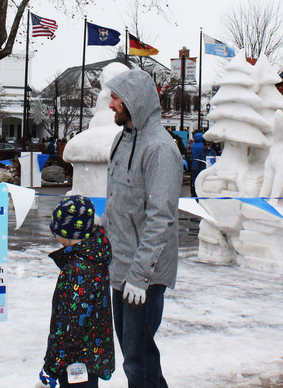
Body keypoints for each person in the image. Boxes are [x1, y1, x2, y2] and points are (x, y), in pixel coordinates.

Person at [103, 69, 182, 388]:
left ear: (134, 102)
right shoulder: (122, 141)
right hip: (120, 267)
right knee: (132, 353)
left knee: (139, 356)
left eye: (116, 98)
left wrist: (140, 276)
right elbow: (117, 200)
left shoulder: (160, 149)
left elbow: (161, 218)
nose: (111, 105)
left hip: (143, 276)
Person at [40, 195, 115, 388]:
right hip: (91, 356)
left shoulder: (77, 270)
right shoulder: (94, 257)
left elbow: (69, 327)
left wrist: (52, 367)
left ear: (66, 231)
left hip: (75, 362)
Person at [190, 132, 205, 197]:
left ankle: (193, 190)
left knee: (194, 177)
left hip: (193, 163)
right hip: (200, 164)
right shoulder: (202, 146)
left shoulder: (193, 145)